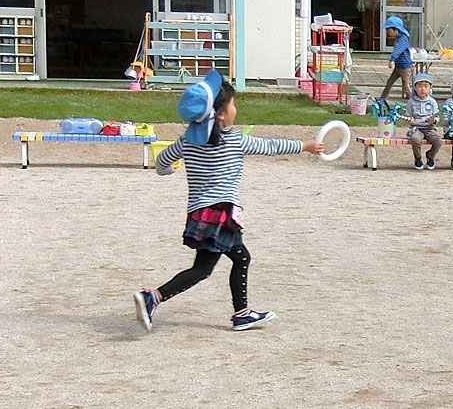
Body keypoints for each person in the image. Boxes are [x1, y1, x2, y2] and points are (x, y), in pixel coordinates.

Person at [133, 71, 324, 333]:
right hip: (222, 213)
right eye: (233, 104)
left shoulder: (187, 140)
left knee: (238, 258)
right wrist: (305, 145)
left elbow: (163, 160)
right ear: (220, 114)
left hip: (201, 214)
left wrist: (167, 171)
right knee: (205, 269)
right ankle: (154, 297)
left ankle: (241, 313)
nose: (235, 108)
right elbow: (271, 146)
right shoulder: (234, 140)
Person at [405, 73, 443, 170]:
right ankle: (417, 158)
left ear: (430, 88)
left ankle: (430, 156)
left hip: (429, 127)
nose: (423, 89)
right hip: (417, 127)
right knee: (415, 139)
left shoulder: (432, 102)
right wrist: (410, 120)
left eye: (426, 86)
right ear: (415, 87)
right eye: (420, 86)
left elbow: (437, 116)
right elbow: (408, 115)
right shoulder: (411, 102)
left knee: (438, 140)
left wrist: (433, 120)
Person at [381, 15, 413, 100]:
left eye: (389, 30)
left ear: (396, 29)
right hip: (399, 65)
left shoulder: (403, 39)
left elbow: (398, 50)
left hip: (404, 66)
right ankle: (382, 99)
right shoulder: (398, 38)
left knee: (406, 85)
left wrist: (392, 60)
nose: (388, 33)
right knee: (390, 82)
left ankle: (414, 100)